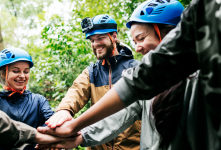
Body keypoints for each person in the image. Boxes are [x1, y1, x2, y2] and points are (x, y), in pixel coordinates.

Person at [37, 0, 221, 148]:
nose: (138, 47)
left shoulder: (197, 79)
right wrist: (69, 120)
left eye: (141, 38)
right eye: (92, 40)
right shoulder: (92, 72)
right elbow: (83, 96)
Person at [0, 0, 69, 149]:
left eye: (26, 72)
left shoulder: (38, 101)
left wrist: (64, 127)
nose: (22, 75)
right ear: (3, 74)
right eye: (15, 71)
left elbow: (52, 121)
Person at [45, 14, 141, 150]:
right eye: (91, 40)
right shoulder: (91, 72)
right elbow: (76, 91)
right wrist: (65, 110)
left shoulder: (136, 68)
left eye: (100, 38)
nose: (95, 44)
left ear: (114, 36)